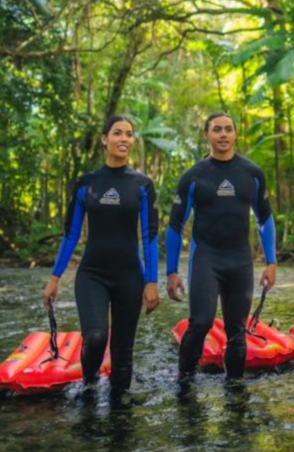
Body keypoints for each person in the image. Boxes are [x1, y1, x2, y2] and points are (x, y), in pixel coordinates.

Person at [42, 115, 159, 394]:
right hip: (92, 274)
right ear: (105, 139)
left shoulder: (142, 185)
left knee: (122, 355)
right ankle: (90, 387)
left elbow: (150, 236)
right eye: (117, 133)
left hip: (130, 276)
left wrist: (151, 281)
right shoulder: (86, 183)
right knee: (95, 337)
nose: (124, 139)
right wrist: (55, 277)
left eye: (129, 134)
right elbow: (71, 234)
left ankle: (120, 421)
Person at [166, 112, 277, 385]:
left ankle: (235, 390)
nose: (224, 134)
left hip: (240, 260)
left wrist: (271, 262)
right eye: (217, 129)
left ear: (236, 134)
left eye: (228, 129)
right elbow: (175, 225)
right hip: (206, 258)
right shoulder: (194, 176)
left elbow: (264, 219)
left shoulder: (252, 173)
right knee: (201, 322)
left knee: (237, 332)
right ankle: (185, 382)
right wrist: (171, 271)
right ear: (207, 135)